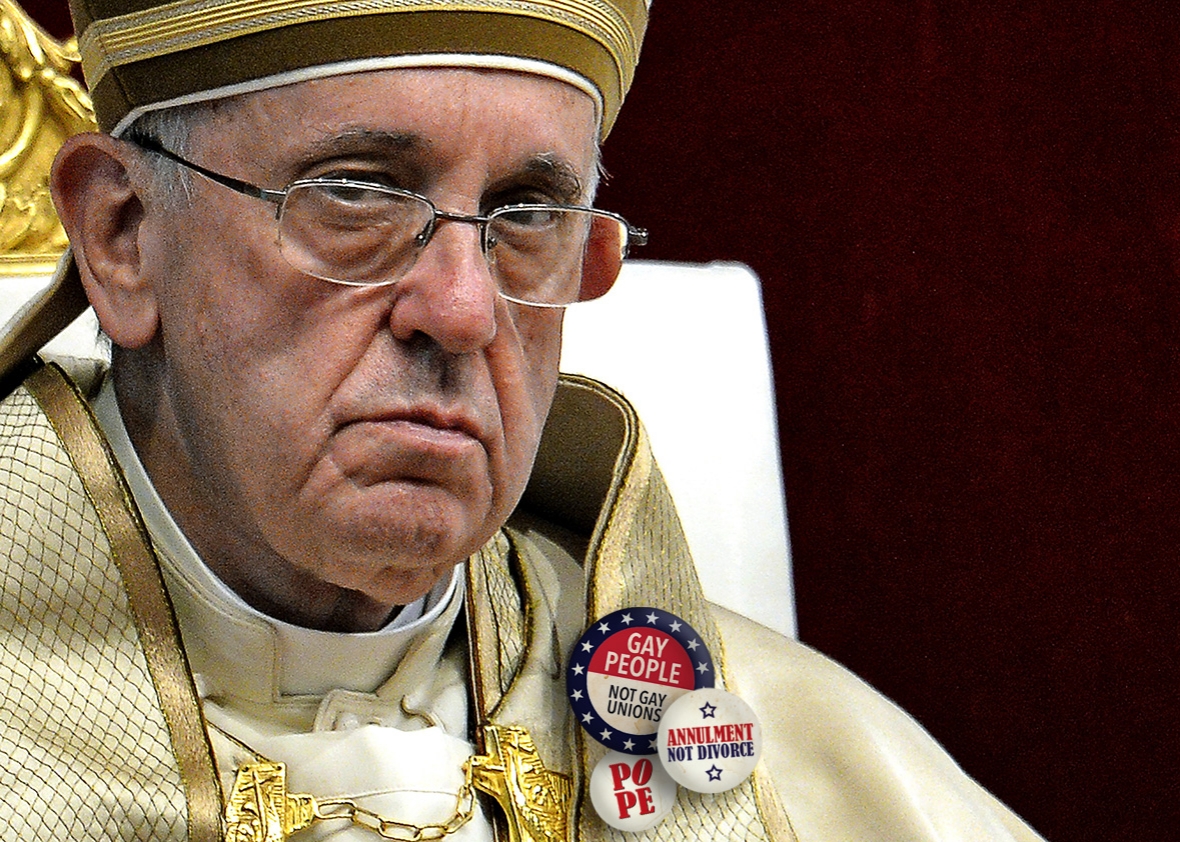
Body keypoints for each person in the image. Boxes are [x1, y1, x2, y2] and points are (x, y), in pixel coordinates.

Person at [0, 1, 1044, 840]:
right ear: (123, 235)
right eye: (358, 195)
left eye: (529, 217)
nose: (460, 310)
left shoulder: (796, 766)